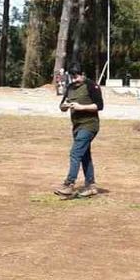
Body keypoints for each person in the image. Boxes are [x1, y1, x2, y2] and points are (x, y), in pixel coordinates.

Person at [53, 62, 104, 199]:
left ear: (83, 74)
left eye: (77, 77)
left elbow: (99, 106)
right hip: (77, 126)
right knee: (84, 155)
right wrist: (64, 106)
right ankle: (91, 186)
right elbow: (62, 104)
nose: (74, 80)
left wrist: (81, 107)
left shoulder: (92, 86)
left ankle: (69, 184)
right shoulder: (70, 87)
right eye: (72, 77)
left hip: (90, 125)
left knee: (75, 153)